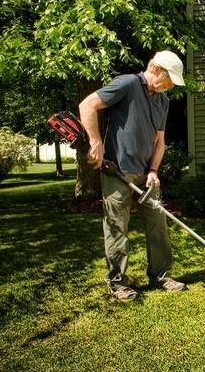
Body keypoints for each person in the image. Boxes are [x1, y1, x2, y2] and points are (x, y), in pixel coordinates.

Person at [79, 50, 187, 302]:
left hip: (146, 176)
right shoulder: (128, 83)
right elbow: (88, 105)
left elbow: (160, 141)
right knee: (117, 227)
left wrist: (153, 171)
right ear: (156, 69)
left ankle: (160, 275)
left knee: (157, 225)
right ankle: (117, 283)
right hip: (116, 171)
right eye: (169, 78)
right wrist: (95, 141)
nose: (170, 85)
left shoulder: (163, 100)